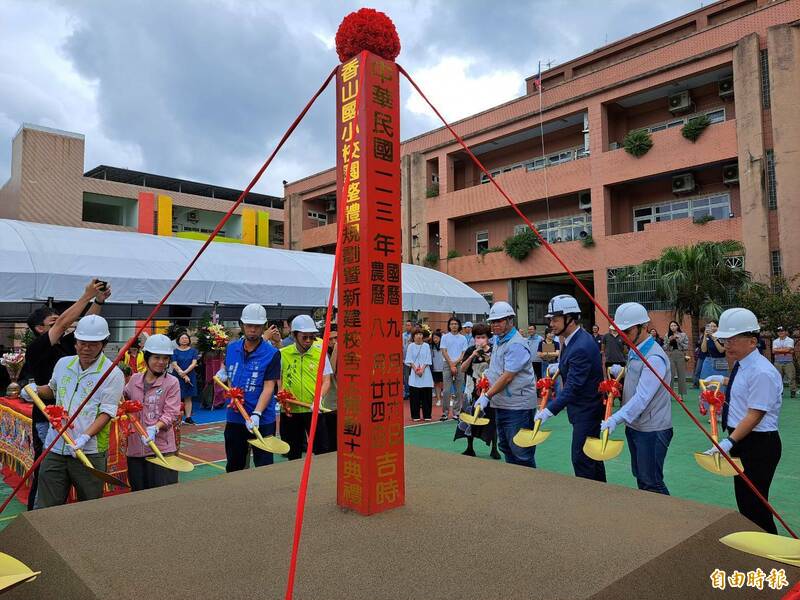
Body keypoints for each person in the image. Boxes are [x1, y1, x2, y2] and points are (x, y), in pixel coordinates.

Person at [22, 278, 110, 511]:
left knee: (74, 476)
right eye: (52, 322)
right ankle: (37, 516)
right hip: (48, 420)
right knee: (46, 473)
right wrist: (85, 295)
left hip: (77, 422)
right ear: (40, 329)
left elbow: (88, 326)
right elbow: (63, 323)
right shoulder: (38, 347)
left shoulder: (68, 347)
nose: (85, 346)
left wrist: (98, 300)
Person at [29, 315, 124, 508]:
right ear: (75, 342)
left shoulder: (112, 373)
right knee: (46, 506)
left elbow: (106, 412)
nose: (86, 348)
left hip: (89, 451)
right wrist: (34, 390)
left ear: (103, 344)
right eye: (82, 343)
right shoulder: (64, 364)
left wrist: (84, 437)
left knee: (88, 508)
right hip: (55, 446)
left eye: (93, 344)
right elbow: (52, 391)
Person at [704, 308, 782, 534]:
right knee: (746, 503)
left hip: (758, 444)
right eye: (725, 339)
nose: (727, 344)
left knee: (755, 505)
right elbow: (744, 387)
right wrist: (723, 381)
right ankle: (758, 547)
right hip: (744, 440)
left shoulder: (762, 372)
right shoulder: (743, 364)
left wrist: (729, 442)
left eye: (733, 339)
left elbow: (755, 414)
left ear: (752, 341)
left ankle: (770, 549)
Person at [602, 303, 673, 495]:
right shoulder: (636, 349)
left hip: (652, 429)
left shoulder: (654, 357)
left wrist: (616, 418)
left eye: (626, 330)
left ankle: (670, 521)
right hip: (636, 426)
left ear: (642, 327)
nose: (622, 335)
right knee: (642, 478)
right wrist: (621, 373)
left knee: (652, 482)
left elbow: (642, 397)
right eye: (620, 330)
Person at [536, 294, 606, 482]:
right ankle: (601, 495)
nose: (552, 324)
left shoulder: (580, 345)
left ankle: (589, 499)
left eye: (556, 319)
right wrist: (560, 366)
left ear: (571, 319)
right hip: (585, 408)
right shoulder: (573, 339)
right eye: (551, 319)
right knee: (592, 458)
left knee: (582, 458)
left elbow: (573, 387)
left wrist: (549, 410)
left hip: (587, 410)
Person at [217, 304, 281, 471]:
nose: (253, 329)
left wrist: (257, 413)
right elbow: (230, 373)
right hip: (235, 416)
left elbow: (269, 387)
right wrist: (223, 373)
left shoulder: (272, 353)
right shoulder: (232, 348)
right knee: (234, 465)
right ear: (242, 325)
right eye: (249, 325)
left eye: (257, 326)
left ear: (264, 327)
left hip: (261, 419)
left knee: (264, 466)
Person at [474, 302, 537, 468]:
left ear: (510, 321)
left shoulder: (516, 344)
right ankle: (516, 485)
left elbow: (508, 376)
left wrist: (487, 396)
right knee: (506, 448)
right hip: (502, 404)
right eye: (493, 321)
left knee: (521, 451)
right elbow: (497, 369)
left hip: (518, 407)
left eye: (499, 321)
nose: (494, 325)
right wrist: (486, 379)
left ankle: (529, 487)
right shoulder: (499, 340)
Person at [123, 334, 182, 491]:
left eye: (165, 358)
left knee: (163, 497)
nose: (161, 362)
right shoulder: (134, 380)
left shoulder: (172, 383)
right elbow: (123, 399)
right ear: (147, 357)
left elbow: (171, 412)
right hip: (135, 450)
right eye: (156, 357)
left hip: (161, 450)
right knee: (138, 496)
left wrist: (155, 427)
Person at [280, 314, 333, 460]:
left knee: (321, 450)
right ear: (294, 335)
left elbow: (326, 380)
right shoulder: (283, 354)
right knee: (292, 451)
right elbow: (277, 379)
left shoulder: (320, 354)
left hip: (314, 410)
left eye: (312, 337)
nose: (309, 340)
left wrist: (318, 399)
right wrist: (280, 394)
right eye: (304, 337)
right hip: (291, 411)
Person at [458, 323, 500, 459]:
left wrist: (489, 358)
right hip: (473, 389)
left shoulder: (495, 350)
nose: (480, 339)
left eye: (483, 337)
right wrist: (472, 356)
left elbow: (500, 369)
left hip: (490, 390)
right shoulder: (470, 350)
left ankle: (494, 448)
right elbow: (462, 369)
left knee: (492, 418)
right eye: (477, 337)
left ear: (488, 338)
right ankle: (469, 447)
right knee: (469, 416)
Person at [440, 317, 468, 420]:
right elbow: (444, 351)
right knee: (447, 390)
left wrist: (455, 363)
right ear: (449, 325)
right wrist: (451, 364)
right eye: (452, 324)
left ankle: (456, 412)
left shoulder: (463, 338)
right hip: (447, 364)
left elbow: (463, 353)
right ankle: (445, 412)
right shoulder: (445, 337)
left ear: (459, 325)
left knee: (458, 390)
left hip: (460, 364)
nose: (454, 326)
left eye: (456, 324)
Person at [405, 326, 433, 422]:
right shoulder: (410, 346)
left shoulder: (426, 346)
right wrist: (416, 369)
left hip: (425, 373)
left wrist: (422, 369)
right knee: (414, 396)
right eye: (417, 334)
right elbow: (409, 359)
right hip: (414, 373)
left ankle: (427, 415)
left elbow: (428, 359)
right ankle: (415, 415)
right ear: (413, 336)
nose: (419, 336)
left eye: (420, 334)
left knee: (426, 396)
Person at [172, 332, 198, 425]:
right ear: (178, 340)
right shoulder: (175, 351)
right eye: (182, 338)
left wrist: (185, 372)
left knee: (188, 397)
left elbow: (194, 363)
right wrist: (182, 374)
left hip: (190, 375)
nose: (184, 340)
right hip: (177, 376)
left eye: (186, 338)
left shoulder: (193, 351)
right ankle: (176, 417)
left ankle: (188, 417)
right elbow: (174, 364)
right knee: (176, 397)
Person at [663, 320, 689, 397]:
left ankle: (681, 395)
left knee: (681, 374)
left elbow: (686, 346)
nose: (673, 327)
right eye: (671, 326)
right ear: (669, 327)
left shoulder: (683, 335)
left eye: (674, 325)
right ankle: (670, 394)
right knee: (670, 375)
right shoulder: (667, 335)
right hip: (670, 355)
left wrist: (678, 340)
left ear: (677, 326)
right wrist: (669, 341)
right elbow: (664, 347)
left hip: (680, 354)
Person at [772, 326, 796, 398]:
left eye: (782, 331)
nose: (781, 332)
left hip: (788, 362)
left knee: (791, 378)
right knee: (778, 379)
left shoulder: (790, 340)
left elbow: (788, 350)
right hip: (777, 362)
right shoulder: (775, 341)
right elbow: (773, 351)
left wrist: (778, 350)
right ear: (777, 333)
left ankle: (793, 393)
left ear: (786, 332)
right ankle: (780, 393)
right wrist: (785, 350)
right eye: (779, 331)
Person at [430, 331, 445, 414]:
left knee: (444, 384)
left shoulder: (444, 346)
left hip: (443, 367)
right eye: (434, 338)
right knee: (436, 384)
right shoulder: (431, 346)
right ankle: (439, 399)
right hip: (435, 368)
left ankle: (449, 399)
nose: (435, 339)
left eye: (437, 338)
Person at [402, 319, 414, 401]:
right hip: (405, 359)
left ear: (412, 326)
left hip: (413, 361)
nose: (407, 326)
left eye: (409, 325)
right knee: (406, 377)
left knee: (413, 376)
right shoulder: (402, 335)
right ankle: (407, 392)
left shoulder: (414, 336)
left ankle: (413, 392)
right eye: (406, 325)